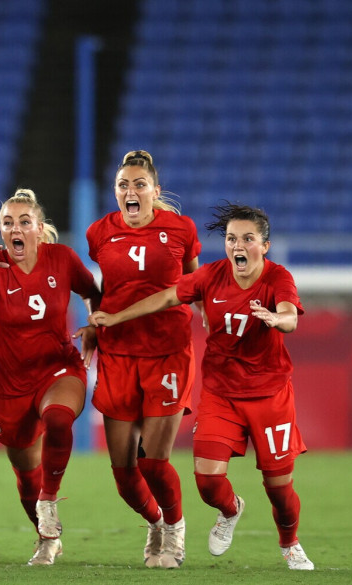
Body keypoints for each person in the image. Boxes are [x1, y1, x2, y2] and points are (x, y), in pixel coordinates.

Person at [90, 203, 313, 570]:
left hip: (270, 396)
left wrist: (276, 318)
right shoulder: (210, 276)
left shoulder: (278, 278)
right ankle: (231, 509)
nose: (237, 246)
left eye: (247, 239)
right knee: (208, 483)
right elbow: (164, 297)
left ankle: (290, 544)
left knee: (279, 489)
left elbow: (290, 315)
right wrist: (115, 317)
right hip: (221, 394)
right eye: (230, 239)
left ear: (265, 246)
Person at [0, 189, 99, 566]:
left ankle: (50, 500)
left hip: (57, 367)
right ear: (1, 230)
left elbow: (93, 293)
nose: (15, 229)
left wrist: (95, 324)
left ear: (38, 228)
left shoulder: (61, 258)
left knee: (59, 418)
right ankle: (46, 537)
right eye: (7, 223)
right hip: (9, 381)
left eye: (23, 222)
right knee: (25, 468)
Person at [86, 150, 201, 568]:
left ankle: (175, 531)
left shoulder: (181, 228)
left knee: (153, 462)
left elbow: (192, 282)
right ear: (115, 192)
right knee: (122, 473)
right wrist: (93, 324)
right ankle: (155, 521)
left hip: (167, 354)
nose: (130, 192)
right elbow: (104, 289)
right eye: (122, 185)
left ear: (154, 190)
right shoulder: (98, 233)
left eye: (138, 184)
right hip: (118, 355)